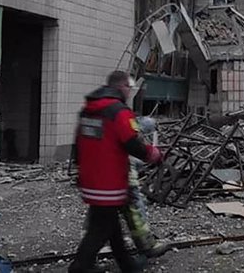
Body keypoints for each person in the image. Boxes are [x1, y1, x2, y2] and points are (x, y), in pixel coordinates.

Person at [69, 71, 163, 273]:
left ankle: (128, 266)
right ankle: (79, 267)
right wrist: (151, 154)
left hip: (90, 180)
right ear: (122, 87)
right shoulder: (118, 111)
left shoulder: (88, 110)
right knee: (101, 228)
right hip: (110, 182)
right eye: (129, 87)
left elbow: (77, 145)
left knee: (110, 226)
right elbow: (131, 142)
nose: (130, 92)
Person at [123, 116, 169, 258]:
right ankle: (146, 245)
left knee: (101, 211)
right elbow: (137, 151)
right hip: (123, 174)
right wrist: (153, 155)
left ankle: (88, 253)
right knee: (136, 204)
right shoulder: (129, 127)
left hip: (104, 175)